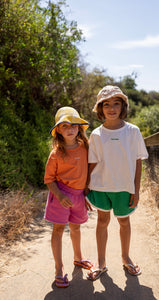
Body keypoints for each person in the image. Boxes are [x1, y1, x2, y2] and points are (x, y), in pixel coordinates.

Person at [85, 85, 148, 281]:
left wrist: (136, 190)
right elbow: (92, 162)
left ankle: (125, 257)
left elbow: (138, 162)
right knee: (102, 221)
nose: (111, 108)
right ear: (100, 108)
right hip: (101, 186)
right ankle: (101, 263)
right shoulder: (96, 134)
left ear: (123, 106)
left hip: (124, 187)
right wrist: (85, 187)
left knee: (124, 221)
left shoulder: (133, 131)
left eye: (116, 103)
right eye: (106, 104)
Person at [44, 106, 93, 288]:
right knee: (58, 230)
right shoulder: (56, 153)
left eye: (74, 125)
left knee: (76, 228)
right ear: (58, 130)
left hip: (79, 196)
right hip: (60, 196)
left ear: (79, 127)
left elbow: (89, 171)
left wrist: (87, 193)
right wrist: (59, 194)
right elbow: (49, 179)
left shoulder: (86, 147)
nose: (70, 128)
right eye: (65, 125)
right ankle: (58, 268)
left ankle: (78, 258)